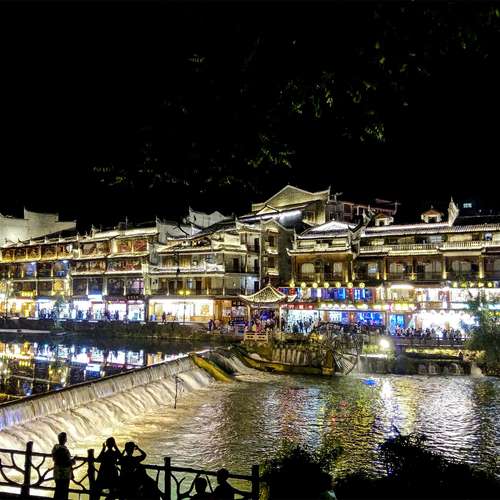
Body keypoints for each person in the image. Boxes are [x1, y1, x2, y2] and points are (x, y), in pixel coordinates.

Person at [51, 432, 75, 500]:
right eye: (65, 438)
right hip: (64, 474)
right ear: (65, 439)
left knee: (58, 491)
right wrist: (73, 461)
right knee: (64, 492)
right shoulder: (64, 449)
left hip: (57, 473)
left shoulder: (55, 447)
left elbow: (54, 459)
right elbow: (67, 463)